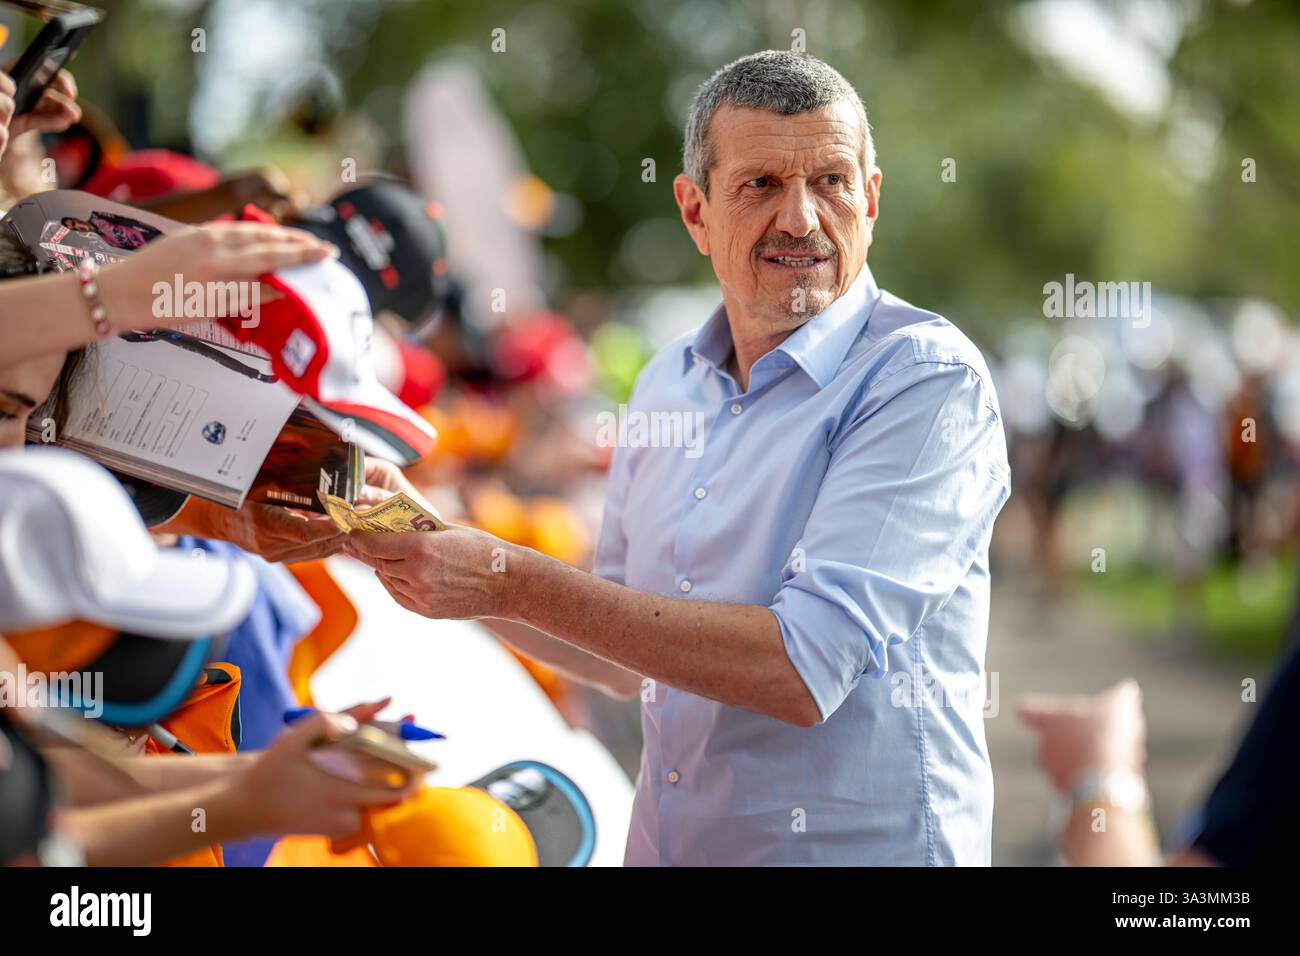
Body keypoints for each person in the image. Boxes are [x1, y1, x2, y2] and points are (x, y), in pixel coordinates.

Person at [344, 51, 1012, 865]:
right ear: (696, 212)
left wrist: (502, 576)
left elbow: (805, 668)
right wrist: (426, 543)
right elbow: (617, 652)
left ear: (870, 201)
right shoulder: (670, 380)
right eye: (760, 184)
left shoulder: (925, 380)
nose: (801, 218)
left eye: (831, 182)